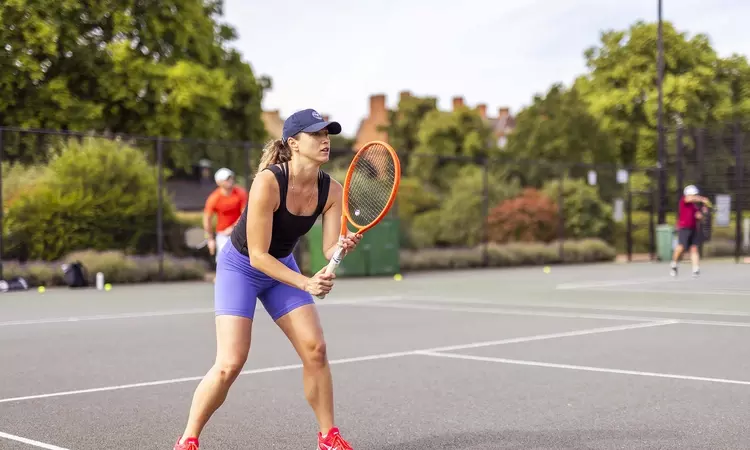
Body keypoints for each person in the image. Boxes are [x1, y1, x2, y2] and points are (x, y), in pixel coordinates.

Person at [174, 109, 361, 450]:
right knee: (230, 362)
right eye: (316, 135)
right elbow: (259, 256)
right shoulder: (268, 182)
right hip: (241, 267)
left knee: (315, 350)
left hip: (280, 268)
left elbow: (329, 246)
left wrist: (342, 247)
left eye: (327, 134)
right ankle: (188, 439)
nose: (325, 140)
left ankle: (328, 437)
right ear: (293, 143)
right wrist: (305, 283)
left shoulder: (331, 190)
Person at [203, 168, 248, 260]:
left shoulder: (241, 193)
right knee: (222, 261)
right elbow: (207, 218)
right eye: (227, 179)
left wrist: (233, 228)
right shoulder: (214, 198)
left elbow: (245, 214)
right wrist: (210, 239)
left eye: (231, 178)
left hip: (241, 233)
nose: (230, 180)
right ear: (219, 182)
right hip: (222, 235)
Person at [670, 184, 710, 277]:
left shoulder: (695, 207)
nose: (695, 196)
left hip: (693, 229)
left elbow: (698, 217)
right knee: (681, 247)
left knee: (694, 248)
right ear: (688, 194)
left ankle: (695, 269)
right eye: (694, 194)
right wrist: (702, 199)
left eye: (696, 194)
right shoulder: (684, 201)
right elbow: (690, 199)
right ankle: (674, 264)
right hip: (684, 228)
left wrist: (703, 213)